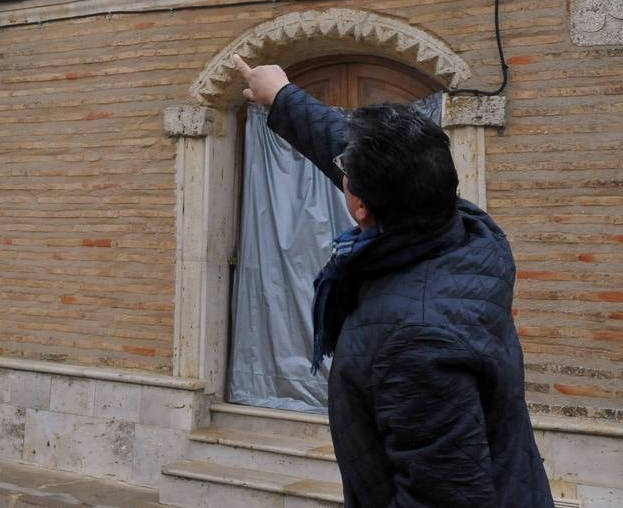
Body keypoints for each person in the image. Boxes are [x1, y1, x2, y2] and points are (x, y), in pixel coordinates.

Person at [232, 54, 553, 508]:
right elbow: (356, 154)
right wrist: (282, 96)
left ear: (360, 204)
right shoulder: (465, 232)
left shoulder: (412, 339)